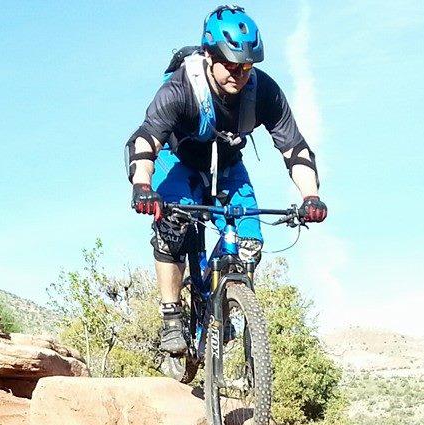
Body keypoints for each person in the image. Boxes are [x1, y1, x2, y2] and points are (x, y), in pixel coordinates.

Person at [125, 5, 327, 355]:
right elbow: (145, 139)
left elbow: (294, 148)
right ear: (209, 55)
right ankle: (172, 316)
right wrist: (143, 186)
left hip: (229, 166)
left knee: (249, 243)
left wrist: (310, 196)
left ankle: (226, 297)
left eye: (247, 66)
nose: (239, 73)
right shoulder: (181, 88)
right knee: (172, 227)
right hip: (179, 162)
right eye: (231, 64)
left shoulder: (264, 91)